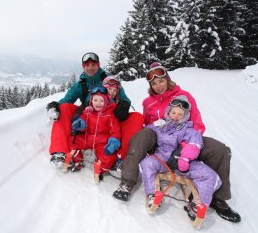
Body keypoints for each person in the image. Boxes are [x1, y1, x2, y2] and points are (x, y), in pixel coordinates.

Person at [112, 62, 241, 223]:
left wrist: (185, 146)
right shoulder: (148, 102)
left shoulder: (184, 96)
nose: (158, 86)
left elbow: (198, 124)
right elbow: (147, 125)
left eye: (161, 81)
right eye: (153, 83)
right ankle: (127, 181)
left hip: (186, 138)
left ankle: (218, 198)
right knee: (142, 135)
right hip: (160, 140)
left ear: (167, 79)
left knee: (220, 149)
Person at [46, 52, 143, 167]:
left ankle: (123, 158)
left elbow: (123, 98)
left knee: (137, 117)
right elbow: (67, 100)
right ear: (83, 66)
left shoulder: (109, 81)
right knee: (64, 108)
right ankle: (60, 152)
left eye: (93, 64)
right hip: (88, 117)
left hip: (108, 118)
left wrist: (124, 104)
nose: (90, 67)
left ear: (98, 65)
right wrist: (55, 105)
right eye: (87, 65)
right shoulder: (81, 85)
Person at [140, 96, 221, 217]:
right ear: (168, 112)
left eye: (180, 114)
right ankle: (152, 194)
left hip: (183, 163)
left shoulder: (189, 130)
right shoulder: (160, 125)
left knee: (210, 175)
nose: (176, 116)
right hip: (161, 158)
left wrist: (185, 158)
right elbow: (145, 131)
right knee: (146, 163)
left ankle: (197, 206)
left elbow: (195, 144)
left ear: (185, 116)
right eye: (173, 112)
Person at [70, 86, 121, 181]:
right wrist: (80, 123)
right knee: (73, 141)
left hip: (102, 141)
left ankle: (100, 168)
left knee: (109, 156)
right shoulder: (88, 112)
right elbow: (84, 122)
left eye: (101, 101)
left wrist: (113, 143)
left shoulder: (110, 115)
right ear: (91, 101)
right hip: (88, 137)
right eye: (95, 100)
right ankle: (77, 160)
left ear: (106, 102)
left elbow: (115, 131)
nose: (98, 103)